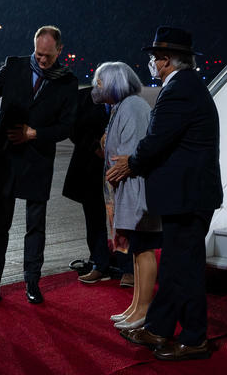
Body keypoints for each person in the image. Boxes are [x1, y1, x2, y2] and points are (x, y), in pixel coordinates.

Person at [106, 26, 223, 360]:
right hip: (187, 195)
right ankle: (159, 328)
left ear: (168, 61)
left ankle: (194, 337)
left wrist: (132, 162)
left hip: (188, 197)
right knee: (176, 266)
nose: (153, 64)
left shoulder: (179, 90)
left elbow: (159, 140)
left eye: (156, 58)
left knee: (184, 270)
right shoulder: (189, 87)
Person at [0, 26, 78, 305]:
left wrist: (35, 133)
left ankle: (32, 282)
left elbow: (67, 126)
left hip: (37, 161)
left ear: (60, 51)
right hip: (5, 159)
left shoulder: (67, 82)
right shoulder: (15, 66)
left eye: (48, 56)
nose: (41, 60)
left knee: (35, 227)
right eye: (38, 54)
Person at [90, 61, 161, 330]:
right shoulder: (121, 107)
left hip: (137, 190)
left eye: (100, 83)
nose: (97, 89)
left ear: (114, 83)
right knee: (135, 249)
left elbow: (129, 155)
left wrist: (116, 164)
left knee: (144, 249)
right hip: (127, 190)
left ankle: (143, 309)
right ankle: (135, 306)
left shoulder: (132, 106)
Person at [62, 86, 111, 283]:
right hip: (89, 166)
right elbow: (72, 128)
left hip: (118, 167)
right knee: (94, 217)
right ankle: (100, 264)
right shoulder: (83, 97)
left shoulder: (126, 101)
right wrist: (94, 146)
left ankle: (127, 268)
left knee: (121, 220)